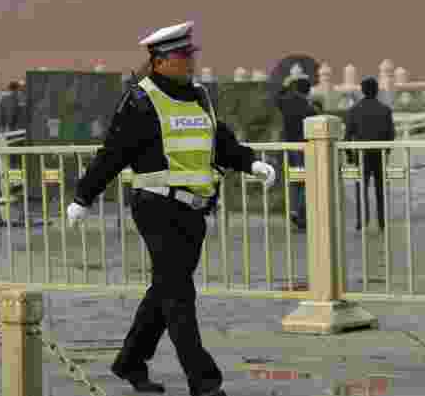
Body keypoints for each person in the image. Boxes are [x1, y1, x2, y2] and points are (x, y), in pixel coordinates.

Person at [66, 21, 276, 396]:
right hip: (156, 209)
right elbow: (113, 154)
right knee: (179, 296)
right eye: (182, 56)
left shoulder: (198, 96)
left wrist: (250, 163)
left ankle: (130, 361)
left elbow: (220, 142)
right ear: (160, 61)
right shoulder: (141, 100)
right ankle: (205, 384)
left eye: (190, 54)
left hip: (194, 212)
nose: (190, 62)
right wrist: (83, 197)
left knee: (165, 291)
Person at [344, 77, 395, 232]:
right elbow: (391, 135)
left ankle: (361, 220)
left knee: (361, 188)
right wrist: (386, 151)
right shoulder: (385, 110)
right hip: (379, 154)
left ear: (362, 90)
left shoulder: (354, 110)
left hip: (361, 155)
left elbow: (347, 137)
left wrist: (350, 155)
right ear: (377, 90)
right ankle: (382, 221)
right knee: (380, 189)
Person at [275, 73, 319, 231]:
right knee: (305, 180)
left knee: (294, 180)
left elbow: (277, 97)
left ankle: (295, 210)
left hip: (288, 146)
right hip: (303, 147)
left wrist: (286, 85)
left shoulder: (286, 102)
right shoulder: (309, 108)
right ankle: (299, 212)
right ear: (307, 91)